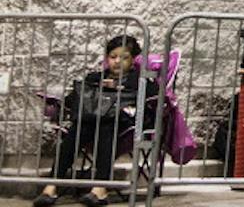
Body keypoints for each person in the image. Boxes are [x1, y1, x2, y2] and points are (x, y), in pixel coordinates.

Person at [34, 35, 155, 207]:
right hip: (90, 124)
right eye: (113, 57)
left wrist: (123, 89)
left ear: (133, 59)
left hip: (123, 125)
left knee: (106, 126)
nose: (117, 61)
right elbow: (74, 99)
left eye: (124, 57)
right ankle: (52, 186)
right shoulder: (95, 78)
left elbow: (153, 97)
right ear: (107, 58)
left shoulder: (140, 79)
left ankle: (100, 188)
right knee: (78, 128)